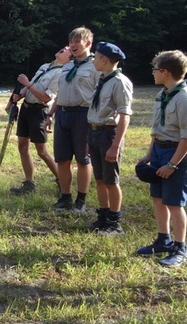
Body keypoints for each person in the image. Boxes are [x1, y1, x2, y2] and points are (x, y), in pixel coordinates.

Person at [136, 50, 187, 267]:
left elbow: (186, 136)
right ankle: (162, 239)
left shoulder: (183, 99)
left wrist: (172, 164)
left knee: (174, 202)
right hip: (159, 149)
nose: (153, 73)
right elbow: (157, 128)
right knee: (157, 197)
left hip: (176, 152)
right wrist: (149, 154)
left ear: (165, 72)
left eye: (155, 69)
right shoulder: (162, 95)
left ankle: (180, 247)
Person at [47, 27, 99, 212]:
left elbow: (100, 95)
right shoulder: (67, 65)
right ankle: (65, 197)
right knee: (62, 159)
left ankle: (81, 200)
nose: (73, 45)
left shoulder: (95, 66)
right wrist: (50, 114)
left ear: (88, 43)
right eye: (71, 41)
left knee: (83, 159)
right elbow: (61, 92)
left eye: (78, 41)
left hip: (83, 116)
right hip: (63, 114)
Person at [9, 46, 72, 195]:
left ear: (70, 58)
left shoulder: (61, 74)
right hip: (26, 109)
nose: (64, 48)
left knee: (42, 151)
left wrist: (27, 84)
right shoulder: (45, 66)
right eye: (64, 47)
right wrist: (20, 95)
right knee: (22, 146)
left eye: (68, 49)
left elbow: (46, 97)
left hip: (39, 112)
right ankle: (29, 183)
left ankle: (62, 181)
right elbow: (32, 85)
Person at [86, 42, 133, 235]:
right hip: (95, 132)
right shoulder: (103, 79)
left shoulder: (120, 82)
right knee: (99, 178)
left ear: (104, 60)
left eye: (96, 57)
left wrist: (115, 145)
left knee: (111, 180)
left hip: (109, 134)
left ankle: (115, 222)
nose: (94, 60)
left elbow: (124, 116)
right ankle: (104, 216)